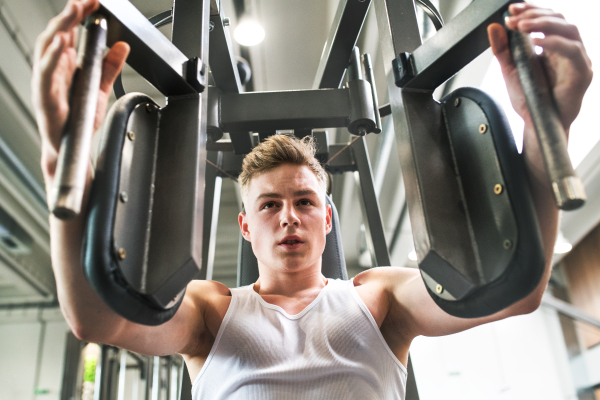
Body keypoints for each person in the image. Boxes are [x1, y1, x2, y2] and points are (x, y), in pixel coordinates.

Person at [32, 0, 592, 398]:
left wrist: (546, 128)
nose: (288, 218)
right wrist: (65, 163)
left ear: (327, 216)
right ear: (246, 227)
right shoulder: (212, 312)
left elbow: (513, 291)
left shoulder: (380, 301)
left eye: (303, 201)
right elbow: (95, 319)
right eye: (268, 206)